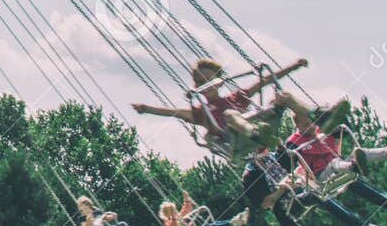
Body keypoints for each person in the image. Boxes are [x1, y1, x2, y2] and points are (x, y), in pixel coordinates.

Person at [131, 57, 347, 156]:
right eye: (203, 84)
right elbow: (173, 112)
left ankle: (320, 117)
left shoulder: (237, 96)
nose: (208, 87)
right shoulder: (201, 113)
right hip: (235, 139)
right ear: (197, 86)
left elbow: (265, 81)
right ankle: (254, 133)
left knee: (284, 95)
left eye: (211, 81)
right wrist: (146, 108)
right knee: (230, 114)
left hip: (261, 124)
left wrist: (293, 67)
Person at [283, 111, 387, 226]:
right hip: (321, 174)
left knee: (362, 152)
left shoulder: (320, 132)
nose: (310, 126)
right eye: (305, 124)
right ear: (297, 125)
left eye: (310, 122)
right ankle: (354, 166)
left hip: (339, 165)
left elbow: (342, 128)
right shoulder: (295, 141)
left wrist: (330, 115)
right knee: (335, 164)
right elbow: (287, 156)